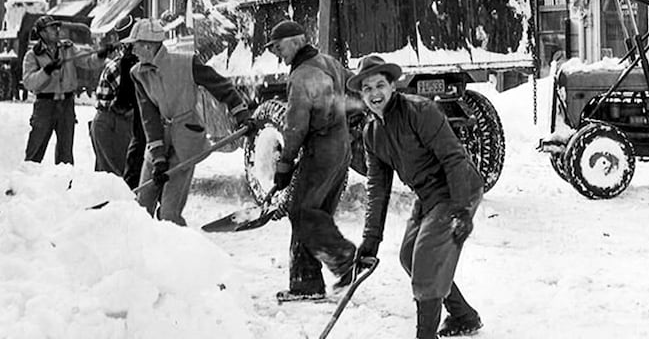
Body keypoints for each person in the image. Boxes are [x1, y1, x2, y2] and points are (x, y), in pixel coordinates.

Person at [350, 55, 485, 339]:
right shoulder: (372, 133)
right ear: (361, 94)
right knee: (410, 256)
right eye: (367, 89)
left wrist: (461, 210)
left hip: (457, 188)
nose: (375, 94)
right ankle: (464, 316)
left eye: (379, 85)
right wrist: (371, 239)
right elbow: (378, 188)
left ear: (392, 86)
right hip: (428, 195)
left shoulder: (420, 111)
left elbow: (453, 158)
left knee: (425, 260)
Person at [125, 18, 254, 225]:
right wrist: (158, 158)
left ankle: (180, 251)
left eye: (135, 45)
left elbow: (222, 87)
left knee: (169, 214)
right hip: (158, 140)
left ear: (148, 45)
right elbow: (148, 116)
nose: (132, 51)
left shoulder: (186, 63)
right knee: (142, 207)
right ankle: (141, 252)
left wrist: (241, 113)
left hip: (186, 139)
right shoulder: (137, 74)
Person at [267, 19, 358, 302]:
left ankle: (345, 260)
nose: (277, 54)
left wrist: (284, 164)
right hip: (341, 145)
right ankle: (307, 282)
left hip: (322, 148)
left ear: (296, 41)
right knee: (316, 212)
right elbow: (354, 91)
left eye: (278, 47)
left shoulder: (301, 75)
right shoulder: (329, 62)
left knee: (302, 212)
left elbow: (295, 127)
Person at [22, 15, 104, 164]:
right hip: (44, 106)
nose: (57, 30)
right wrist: (46, 71)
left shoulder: (68, 49)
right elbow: (29, 82)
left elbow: (87, 61)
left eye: (57, 27)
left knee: (65, 154)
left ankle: (64, 184)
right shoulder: (32, 55)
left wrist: (100, 55)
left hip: (66, 105)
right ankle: (26, 183)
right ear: (42, 33)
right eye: (52, 28)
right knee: (35, 151)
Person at [89, 15, 145, 186]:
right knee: (116, 177)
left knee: (125, 175)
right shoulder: (118, 67)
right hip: (112, 124)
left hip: (125, 122)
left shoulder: (137, 64)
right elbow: (110, 103)